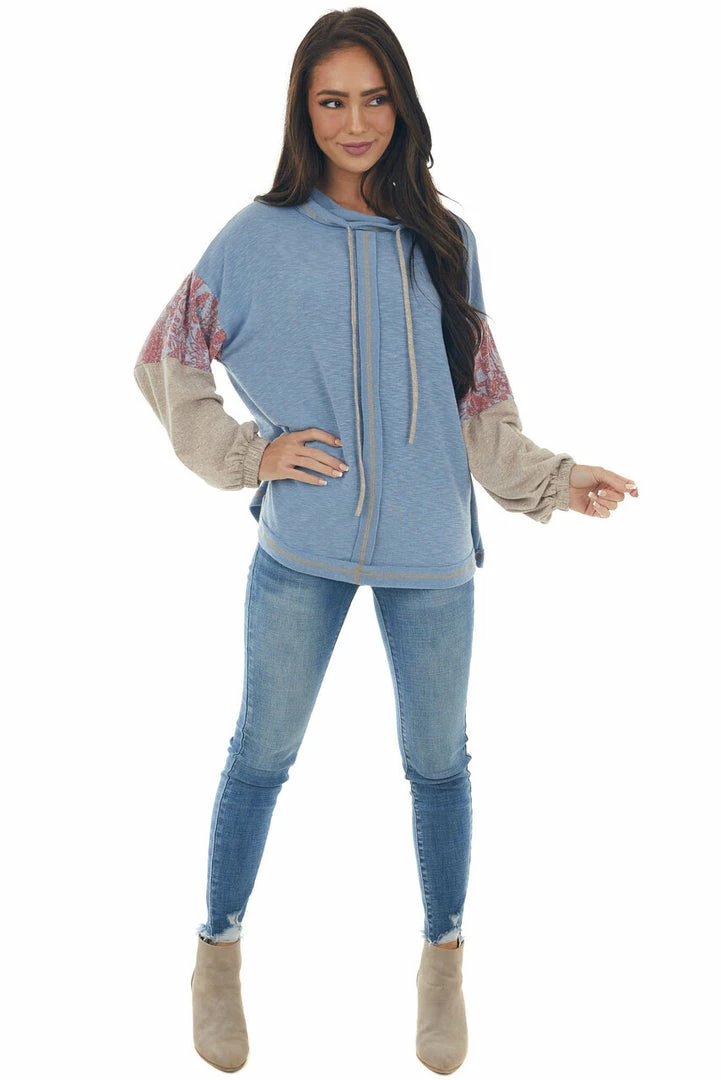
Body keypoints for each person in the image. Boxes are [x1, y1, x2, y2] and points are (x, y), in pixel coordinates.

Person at [134, 7, 639, 1074]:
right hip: (301, 548)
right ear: (302, 111)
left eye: (373, 98)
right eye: (332, 101)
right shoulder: (254, 237)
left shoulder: (447, 241)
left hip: (430, 554)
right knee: (260, 755)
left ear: (401, 106)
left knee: (438, 765)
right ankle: (216, 955)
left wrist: (557, 479)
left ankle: (442, 963)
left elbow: (479, 407)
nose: (354, 122)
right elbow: (164, 358)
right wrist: (248, 454)